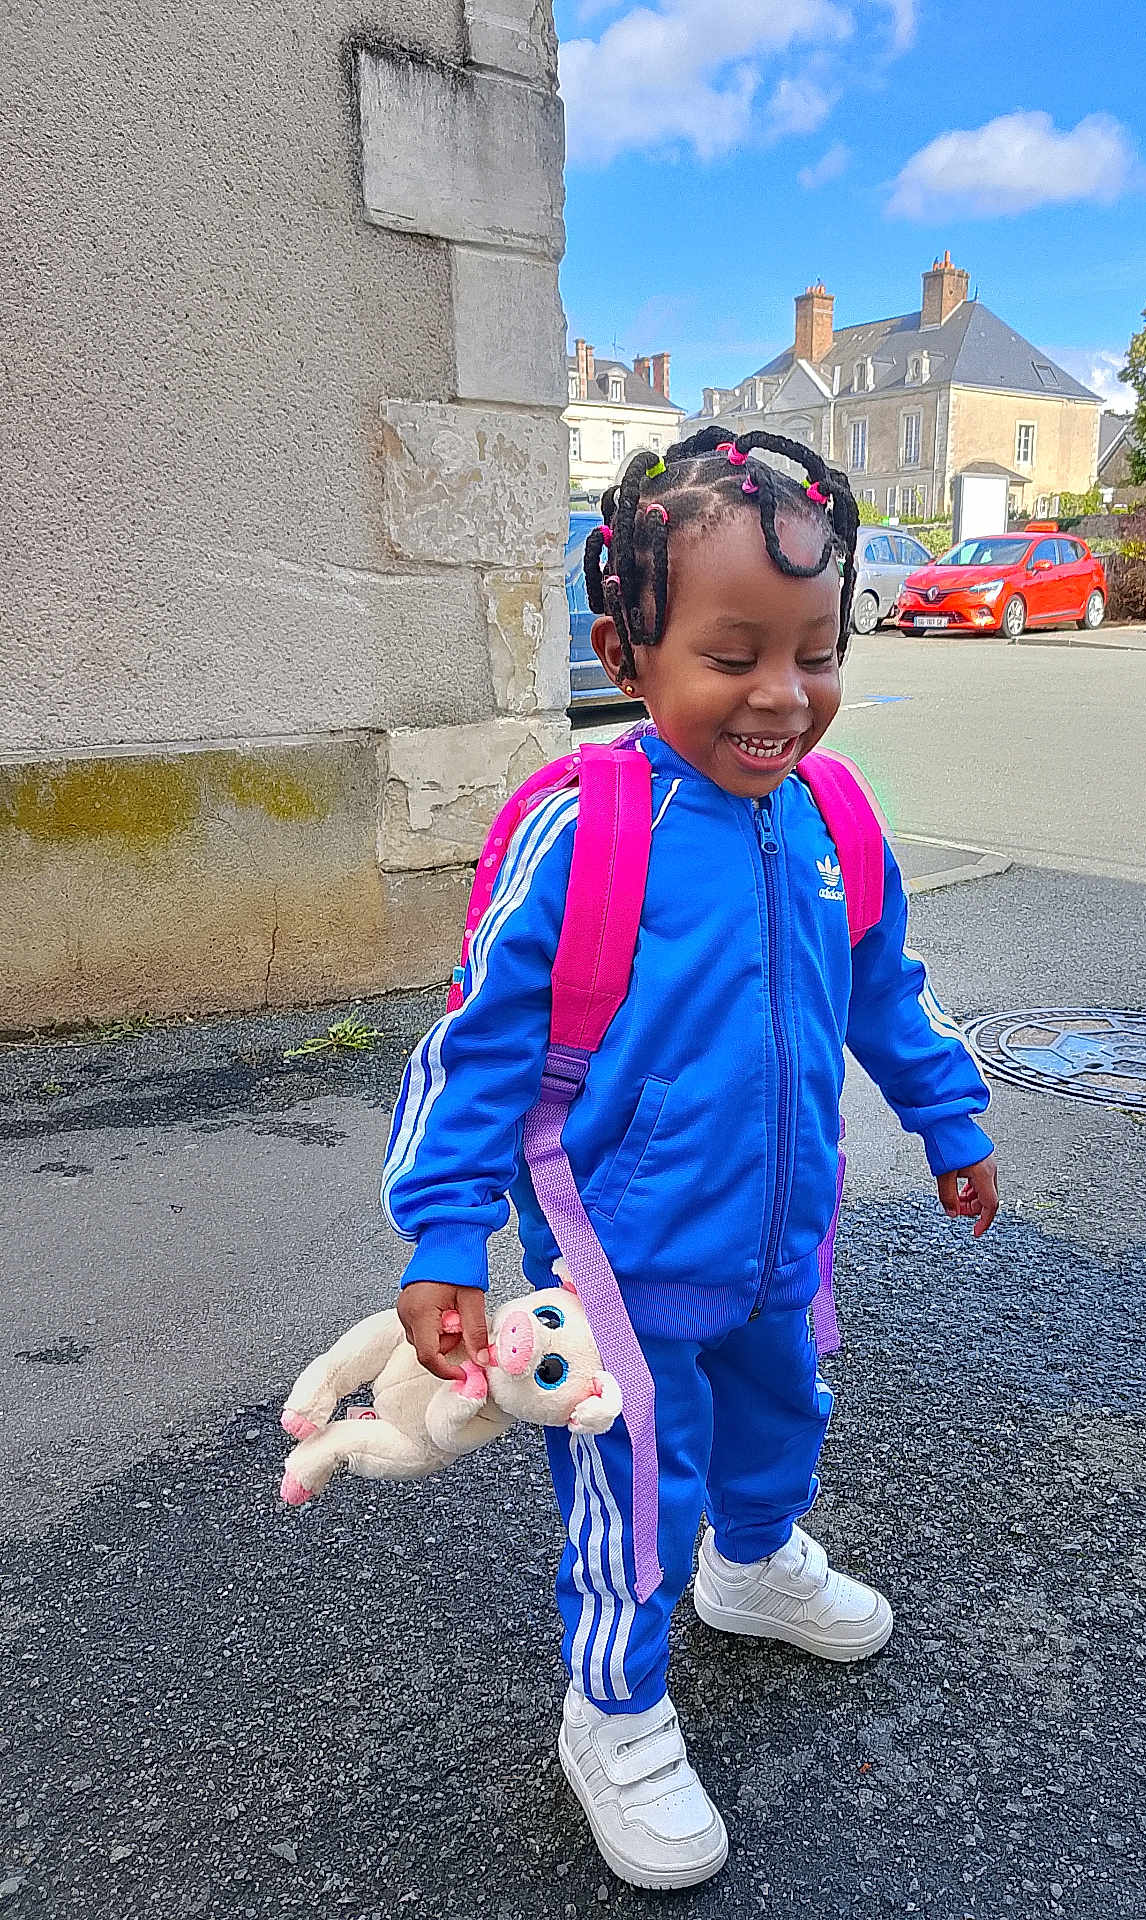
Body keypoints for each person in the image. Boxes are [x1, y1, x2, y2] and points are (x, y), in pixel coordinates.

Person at [382, 427, 1000, 1890]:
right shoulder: (584, 829)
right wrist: (443, 1235)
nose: (784, 697)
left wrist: (949, 1118)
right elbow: (477, 1047)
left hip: (783, 1233)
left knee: (782, 1411)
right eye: (735, 655)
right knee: (634, 1486)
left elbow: (880, 989)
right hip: (623, 1252)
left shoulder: (835, 817)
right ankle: (614, 1714)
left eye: (815, 651)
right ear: (628, 650)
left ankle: (755, 1564)